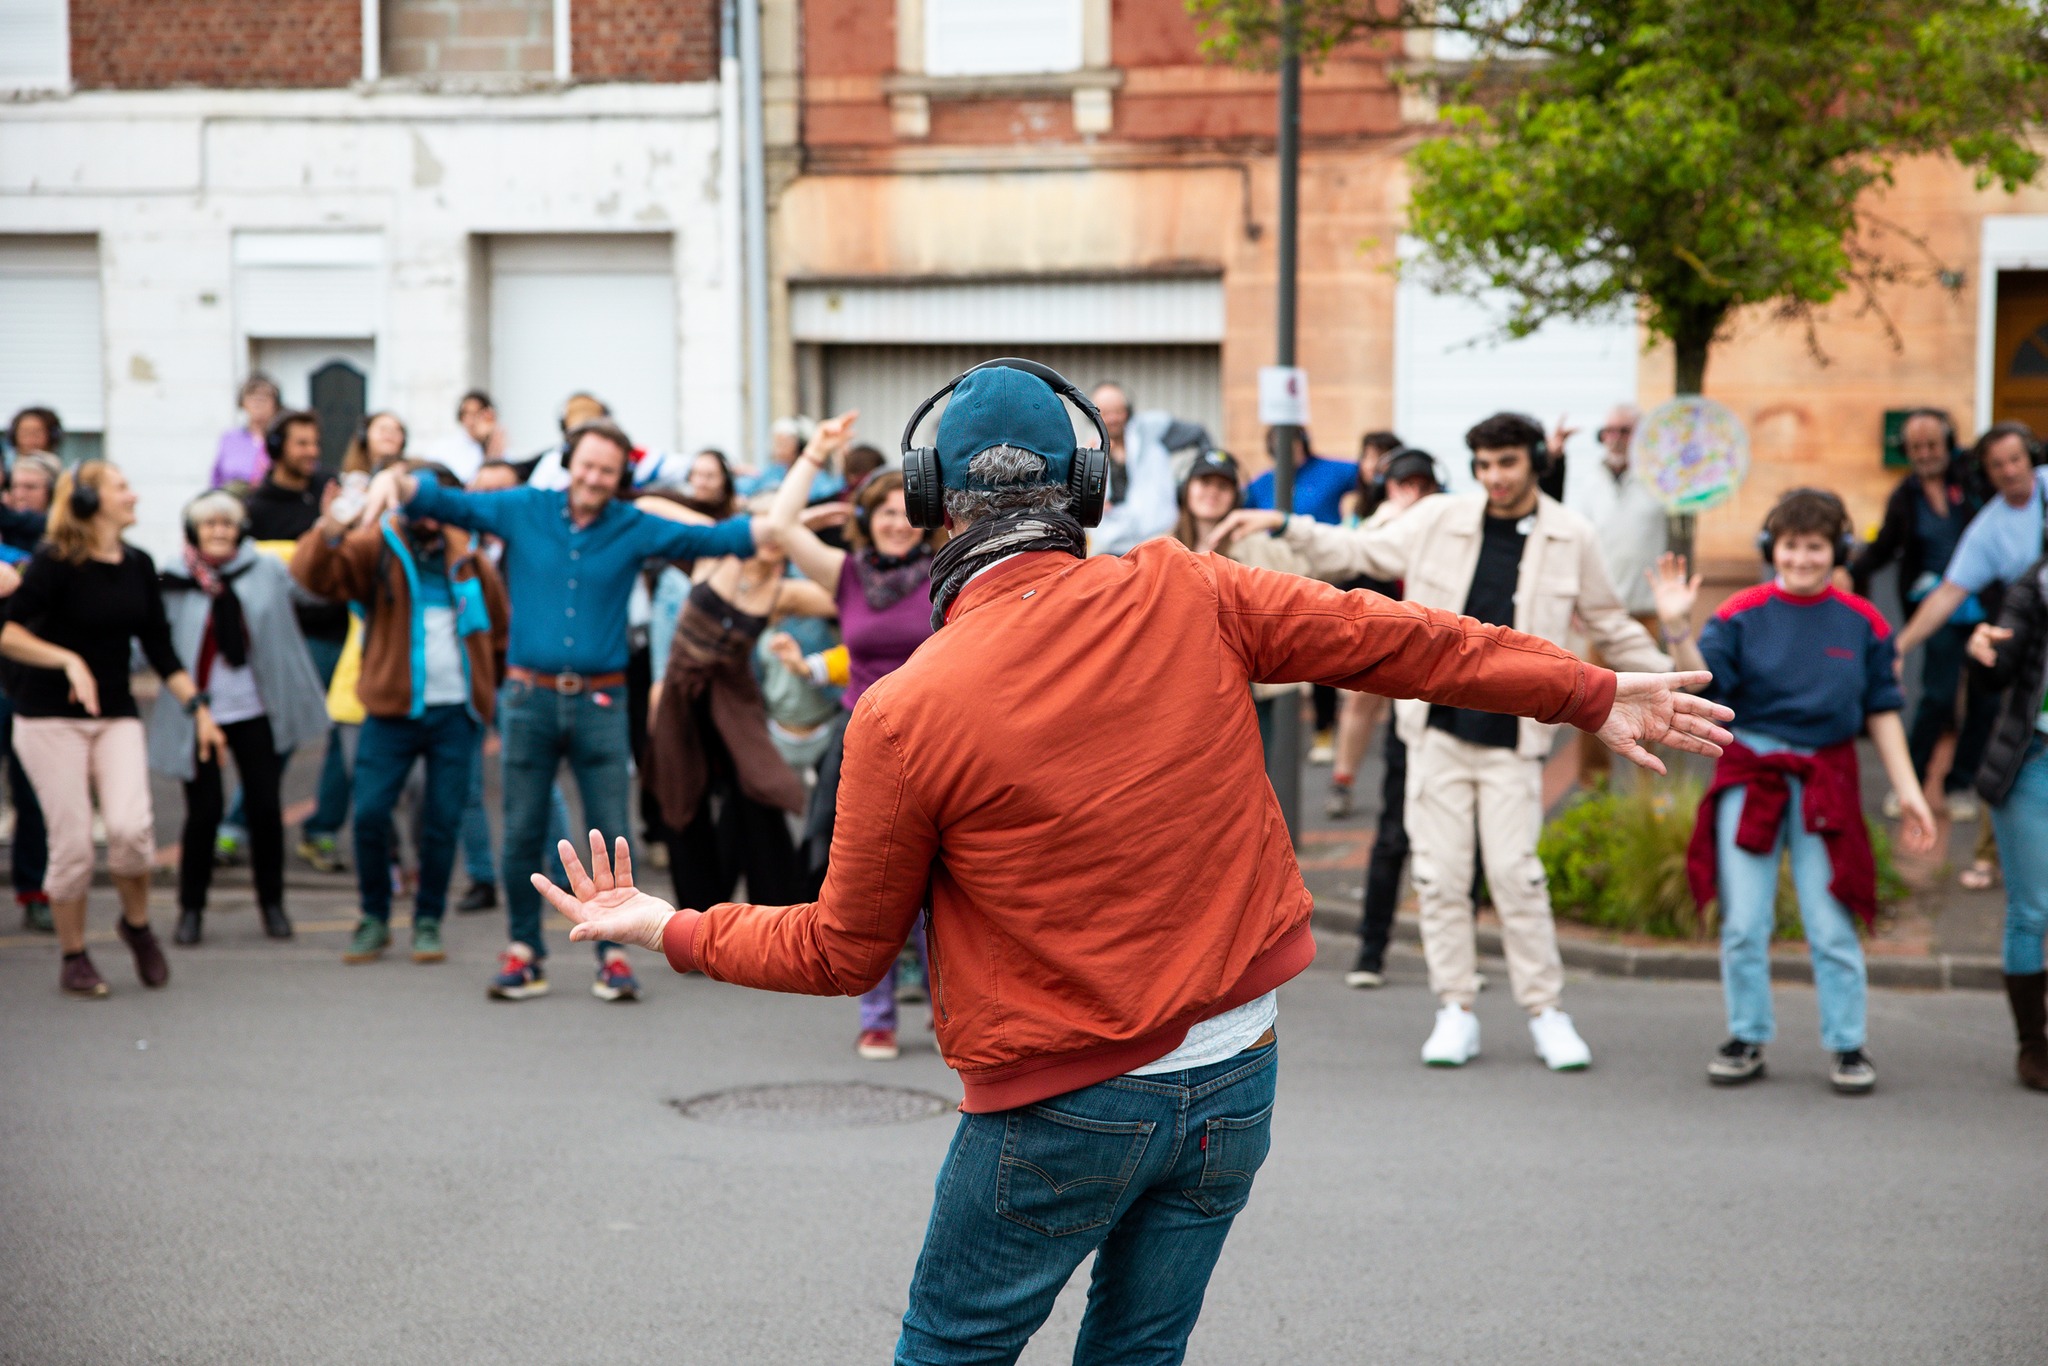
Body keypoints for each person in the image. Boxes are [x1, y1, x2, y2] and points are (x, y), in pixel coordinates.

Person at [527, 359, 1731, 1363]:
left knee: (948, 1353)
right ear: (1087, 488)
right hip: (1235, 1076)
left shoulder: (903, 712)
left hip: (1057, 1107)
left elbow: (843, 949)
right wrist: (1584, 689)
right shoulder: (1188, 588)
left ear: (934, 501)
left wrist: (664, 923)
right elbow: (1398, 639)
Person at [1210, 411, 1705, 1070]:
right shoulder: (1440, 517)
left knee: (1516, 876)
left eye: (1507, 463)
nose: (1495, 478)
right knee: (1440, 878)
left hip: (1516, 736)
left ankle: (1546, 1010)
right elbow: (1360, 552)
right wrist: (1285, 524)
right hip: (1437, 730)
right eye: (1483, 466)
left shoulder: (1570, 533)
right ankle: (1455, 1008)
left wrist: (1662, 677)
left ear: (1533, 461)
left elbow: (1610, 624)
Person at [355, 419, 770, 1003]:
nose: (595, 479)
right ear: (569, 463)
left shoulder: (631, 524)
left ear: (619, 475)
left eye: (607, 471)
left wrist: (786, 520)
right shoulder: (524, 508)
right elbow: (448, 501)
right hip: (528, 700)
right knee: (523, 831)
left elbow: (716, 541)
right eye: (587, 466)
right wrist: (395, 483)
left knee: (610, 834)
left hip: (603, 699)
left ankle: (613, 953)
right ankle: (525, 950)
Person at [1687, 489, 1938, 1094]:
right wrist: (1675, 623)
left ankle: (1848, 1044)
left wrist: (1910, 791)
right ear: (1774, 548)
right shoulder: (1740, 613)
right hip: (1753, 773)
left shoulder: (1864, 622)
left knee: (1831, 921)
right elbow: (1698, 681)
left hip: (1827, 777)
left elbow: (1881, 710)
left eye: (1815, 547)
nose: (1801, 559)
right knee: (1745, 920)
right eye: (1791, 546)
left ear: (1837, 550)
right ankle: (1746, 1035)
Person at [0, 461, 223, 998]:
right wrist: (68, 661)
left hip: (115, 715)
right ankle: (74, 955)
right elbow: (6, 631)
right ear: (86, 501)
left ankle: (137, 925)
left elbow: (161, 648)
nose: (134, 496)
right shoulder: (54, 564)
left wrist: (200, 711)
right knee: (73, 846)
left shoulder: (138, 565)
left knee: (130, 832)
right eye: (122, 487)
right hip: (48, 717)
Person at [766, 412, 944, 1059]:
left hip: (936, 738)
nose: (897, 521)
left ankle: (949, 1010)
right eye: (884, 511)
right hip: (864, 741)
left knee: (943, 886)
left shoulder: (945, 575)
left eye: (907, 511)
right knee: (872, 884)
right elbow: (783, 526)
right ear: (865, 517)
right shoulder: (846, 577)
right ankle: (878, 1015)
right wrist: (814, 453)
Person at [293, 462, 510, 967]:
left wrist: (488, 692)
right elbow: (313, 575)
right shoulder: (378, 546)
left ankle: (428, 919)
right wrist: (329, 527)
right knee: (369, 814)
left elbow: (497, 627)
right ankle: (374, 917)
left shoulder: (470, 559)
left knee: (441, 819)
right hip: (391, 712)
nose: (430, 514)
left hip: (457, 715)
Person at [151, 491, 330, 945]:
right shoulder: (174, 578)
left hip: (256, 707)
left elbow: (315, 589)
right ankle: (191, 909)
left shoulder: (266, 568)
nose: (219, 533)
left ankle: (272, 904)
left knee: (266, 808)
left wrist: (329, 537)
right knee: (204, 812)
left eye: (227, 525)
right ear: (194, 531)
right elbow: (150, 641)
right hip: (200, 712)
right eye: (209, 525)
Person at [641, 513, 829, 917]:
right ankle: (697, 916)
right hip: (682, 702)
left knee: (758, 793)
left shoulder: (783, 592)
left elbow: (845, 593)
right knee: (683, 803)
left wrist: (801, 529)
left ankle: (779, 910)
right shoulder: (715, 557)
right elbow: (653, 506)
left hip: (733, 704)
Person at [1894, 421, 2047, 890]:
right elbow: (1947, 594)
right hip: (2031, 658)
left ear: (2031, 457)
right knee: (2010, 747)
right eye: (1997, 465)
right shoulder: (1989, 529)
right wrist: (1897, 648)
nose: (2009, 471)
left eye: (2015, 459)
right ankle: (1993, 853)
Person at [1334, 448, 1444, 986]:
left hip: (1450, 695)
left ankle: (1457, 949)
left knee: (1456, 835)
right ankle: (1370, 950)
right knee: (1394, 827)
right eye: (1405, 485)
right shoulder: (1377, 533)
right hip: (1403, 698)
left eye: (1423, 485)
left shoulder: (1453, 531)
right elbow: (1356, 577)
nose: (1414, 494)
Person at [1852, 410, 1994, 818]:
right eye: (1916, 447)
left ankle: (1960, 784)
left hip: (1985, 603)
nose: (1926, 454)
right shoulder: (1905, 496)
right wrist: (1850, 568)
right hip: (1936, 607)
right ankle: (1909, 781)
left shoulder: (1972, 479)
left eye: (1933, 444)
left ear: (1948, 443)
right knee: (1938, 694)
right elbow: (1883, 547)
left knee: (1985, 697)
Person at [242, 410, 355, 874]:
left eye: (315, 443)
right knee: (279, 736)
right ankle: (238, 823)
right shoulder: (258, 506)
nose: (312, 452)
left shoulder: (329, 486)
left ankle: (322, 829)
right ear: (276, 447)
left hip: (343, 632)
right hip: (292, 638)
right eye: (300, 444)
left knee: (346, 738)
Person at [1170, 449, 1316, 757]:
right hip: (1180, 688)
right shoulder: (1162, 548)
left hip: (1244, 687)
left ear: (1235, 497)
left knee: (1248, 779)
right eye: (1204, 482)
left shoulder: (1259, 547)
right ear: (1186, 489)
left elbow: (1311, 574)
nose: (1212, 491)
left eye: (1223, 486)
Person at [1966, 553, 2048, 1092]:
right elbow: (1997, 671)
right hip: (2032, 762)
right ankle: (2034, 1048)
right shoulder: (2033, 588)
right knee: (2032, 910)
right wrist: (1983, 656)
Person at [1327, 431, 1410, 819]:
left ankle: (1410, 786)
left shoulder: (1409, 503)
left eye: (1383, 458)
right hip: (1367, 605)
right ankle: (1342, 782)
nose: (1374, 466)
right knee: (1360, 699)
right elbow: (1348, 547)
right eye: (1368, 457)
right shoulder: (1354, 503)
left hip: (1403, 605)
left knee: (1410, 702)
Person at [1086, 381, 1195, 556]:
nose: (1113, 419)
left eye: (1118, 411)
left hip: (1158, 543)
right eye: (1105, 413)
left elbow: (1198, 435)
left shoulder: (1151, 435)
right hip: (1110, 548)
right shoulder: (1089, 452)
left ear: (1128, 411)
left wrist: (1184, 490)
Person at [211, 375, 281, 489]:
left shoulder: (283, 438)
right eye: (252, 395)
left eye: (266, 396)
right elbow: (215, 480)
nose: (259, 400)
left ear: (276, 404)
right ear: (242, 403)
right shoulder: (230, 438)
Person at [430, 390, 505, 485]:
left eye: (478, 413)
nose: (472, 420)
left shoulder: (498, 444)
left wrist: (491, 439)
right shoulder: (445, 448)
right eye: (467, 413)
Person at [341, 410, 408, 476]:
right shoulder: (349, 477)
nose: (389, 434)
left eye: (396, 430)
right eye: (383, 429)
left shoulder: (413, 474)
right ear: (365, 435)